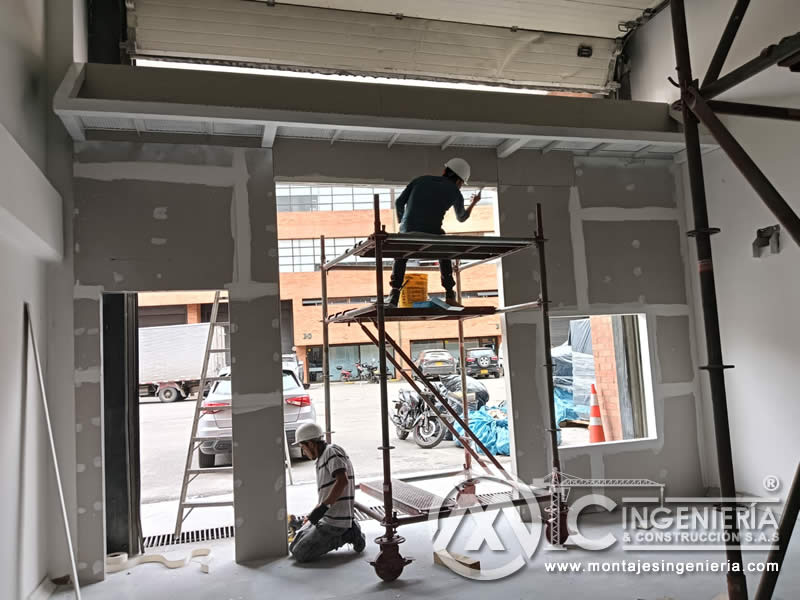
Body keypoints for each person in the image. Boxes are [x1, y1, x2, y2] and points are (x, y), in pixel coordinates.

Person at [386, 158, 482, 307]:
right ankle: (450, 295)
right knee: (445, 250)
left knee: (401, 255)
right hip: (432, 234)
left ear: (444, 171)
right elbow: (462, 218)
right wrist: (474, 203)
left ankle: (394, 296)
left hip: (407, 231)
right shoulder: (455, 192)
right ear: (459, 181)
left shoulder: (420, 180)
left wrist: (403, 224)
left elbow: (399, 202)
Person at [288, 423, 366, 562]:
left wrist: (322, 508)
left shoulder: (332, 452)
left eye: (303, 447)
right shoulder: (321, 459)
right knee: (293, 546)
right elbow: (326, 495)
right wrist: (313, 514)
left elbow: (342, 481)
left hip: (336, 522)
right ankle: (341, 529)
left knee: (300, 553)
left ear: (311, 444)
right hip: (326, 518)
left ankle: (349, 533)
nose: (304, 452)